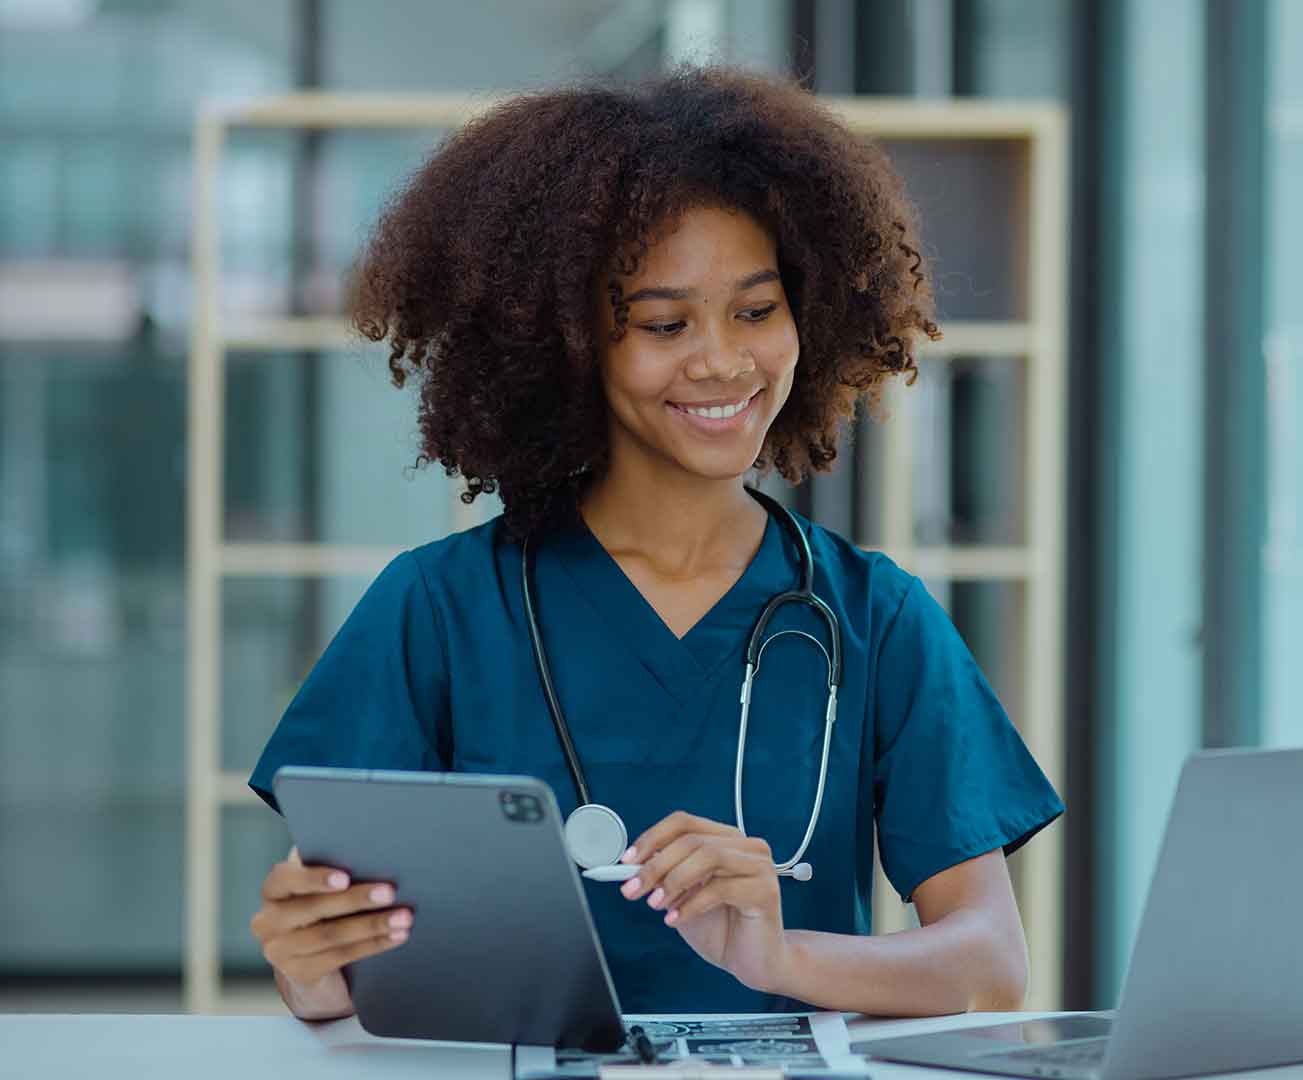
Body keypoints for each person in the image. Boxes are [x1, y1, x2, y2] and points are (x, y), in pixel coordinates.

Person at [243, 66, 1062, 1021]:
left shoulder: (874, 616)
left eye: (756, 311)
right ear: (566, 345)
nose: (721, 361)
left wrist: (781, 956)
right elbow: (333, 980)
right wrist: (307, 964)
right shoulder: (438, 608)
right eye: (664, 324)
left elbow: (990, 964)